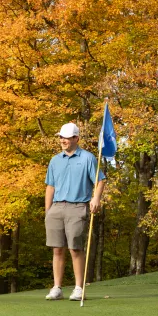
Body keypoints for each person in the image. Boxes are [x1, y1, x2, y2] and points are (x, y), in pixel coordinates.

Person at [44, 123, 105, 301]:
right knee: (57, 249)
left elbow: (100, 181)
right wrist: (48, 211)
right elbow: (50, 186)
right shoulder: (55, 160)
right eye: (61, 137)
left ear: (76, 139)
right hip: (56, 207)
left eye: (67, 137)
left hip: (78, 207)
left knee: (75, 248)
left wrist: (96, 198)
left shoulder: (88, 158)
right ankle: (57, 288)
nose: (63, 140)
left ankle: (78, 288)